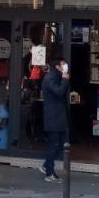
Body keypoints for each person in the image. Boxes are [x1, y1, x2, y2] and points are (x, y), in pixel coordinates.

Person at [41, 55, 69, 183]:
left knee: (62, 144)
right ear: (57, 66)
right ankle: (50, 173)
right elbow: (59, 91)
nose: (65, 66)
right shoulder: (50, 78)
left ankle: (46, 165)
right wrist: (64, 80)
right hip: (53, 117)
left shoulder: (56, 76)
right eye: (63, 64)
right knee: (54, 145)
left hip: (59, 116)